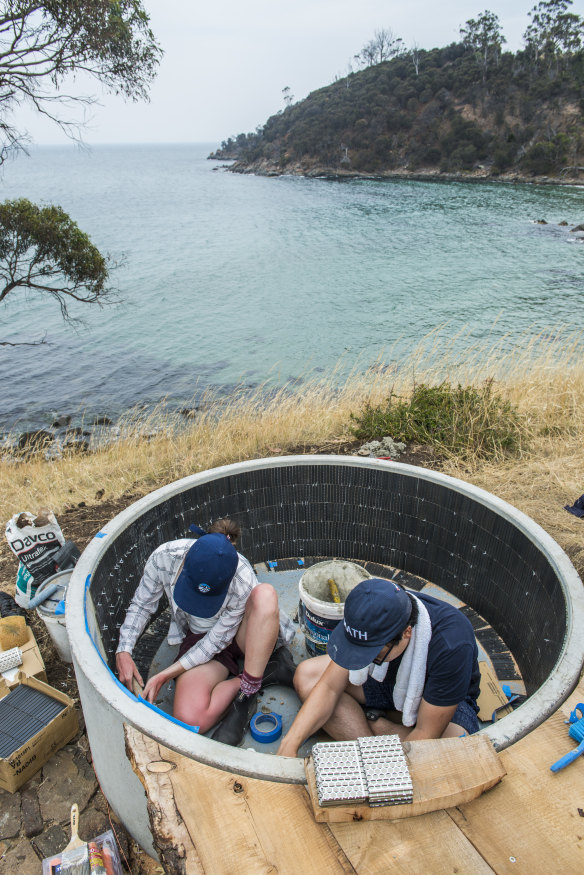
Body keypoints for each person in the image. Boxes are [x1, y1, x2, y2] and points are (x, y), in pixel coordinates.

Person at [116, 518, 296, 746]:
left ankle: (247, 692)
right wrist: (124, 649)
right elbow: (142, 605)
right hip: (199, 638)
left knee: (265, 595)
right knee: (191, 719)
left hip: (240, 633)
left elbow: (216, 641)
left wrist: (166, 673)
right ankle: (265, 673)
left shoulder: (240, 575)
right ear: (184, 565)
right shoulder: (165, 557)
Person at [278, 577, 480, 757]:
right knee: (307, 677)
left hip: (437, 700)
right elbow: (329, 687)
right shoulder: (368, 614)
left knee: (452, 750)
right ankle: (372, 744)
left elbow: (426, 734)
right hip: (386, 678)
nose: (362, 659)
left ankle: (374, 723)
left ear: (406, 633)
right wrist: (289, 744)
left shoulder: (452, 645)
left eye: (372, 653)